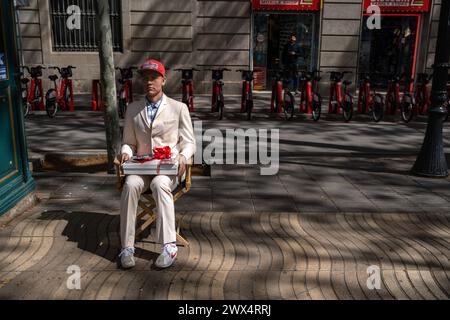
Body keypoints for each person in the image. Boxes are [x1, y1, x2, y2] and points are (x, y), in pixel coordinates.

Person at [119, 59, 196, 269]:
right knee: (131, 184)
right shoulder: (133, 109)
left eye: (153, 78)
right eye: (145, 78)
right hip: (141, 168)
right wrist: (126, 153)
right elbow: (128, 142)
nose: (149, 82)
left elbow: (189, 142)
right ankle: (126, 247)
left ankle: (169, 246)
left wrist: (183, 156)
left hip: (168, 169)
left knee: (160, 184)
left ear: (163, 80)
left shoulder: (178, 108)